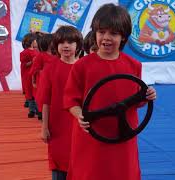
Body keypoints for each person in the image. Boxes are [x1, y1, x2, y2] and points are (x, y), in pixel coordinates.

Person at [63, 4, 157, 180]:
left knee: (122, 173)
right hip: (91, 136)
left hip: (123, 136)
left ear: (123, 37)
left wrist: (147, 96)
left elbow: (136, 99)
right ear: (95, 33)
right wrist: (79, 116)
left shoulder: (133, 65)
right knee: (90, 173)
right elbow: (70, 100)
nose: (106, 38)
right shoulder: (82, 66)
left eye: (113, 33)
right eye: (101, 32)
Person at [39, 25, 83, 180]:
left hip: (80, 125)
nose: (66, 46)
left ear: (78, 45)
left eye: (70, 42)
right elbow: (46, 101)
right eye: (61, 42)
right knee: (59, 164)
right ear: (56, 46)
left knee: (81, 162)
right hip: (57, 126)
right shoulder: (50, 69)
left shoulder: (84, 67)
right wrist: (44, 127)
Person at [30, 33, 56, 119]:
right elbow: (34, 70)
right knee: (43, 96)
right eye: (51, 41)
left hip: (55, 81)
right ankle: (41, 112)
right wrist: (33, 81)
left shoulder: (57, 55)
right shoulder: (40, 55)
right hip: (42, 81)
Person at [20, 33, 38, 116]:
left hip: (36, 74)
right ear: (31, 42)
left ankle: (38, 110)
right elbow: (24, 64)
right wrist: (32, 62)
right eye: (35, 40)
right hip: (28, 75)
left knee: (36, 92)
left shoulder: (37, 51)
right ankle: (32, 110)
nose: (36, 42)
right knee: (30, 92)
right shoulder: (24, 52)